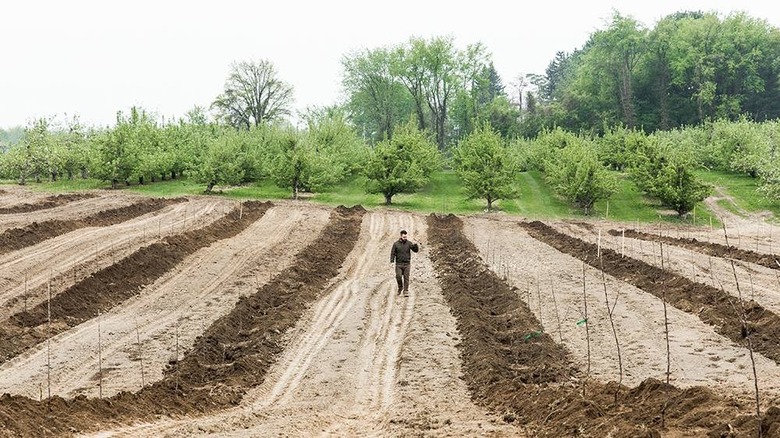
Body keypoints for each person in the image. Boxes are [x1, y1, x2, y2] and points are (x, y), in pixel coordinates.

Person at [390, 229, 419, 296]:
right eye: (403, 237)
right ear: (401, 236)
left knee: (406, 278)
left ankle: (405, 291)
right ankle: (400, 287)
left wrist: (415, 245)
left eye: (406, 237)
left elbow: (415, 250)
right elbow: (393, 253)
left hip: (407, 264)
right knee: (398, 276)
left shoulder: (409, 243)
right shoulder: (396, 244)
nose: (405, 238)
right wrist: (392, 261)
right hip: (398, 264)